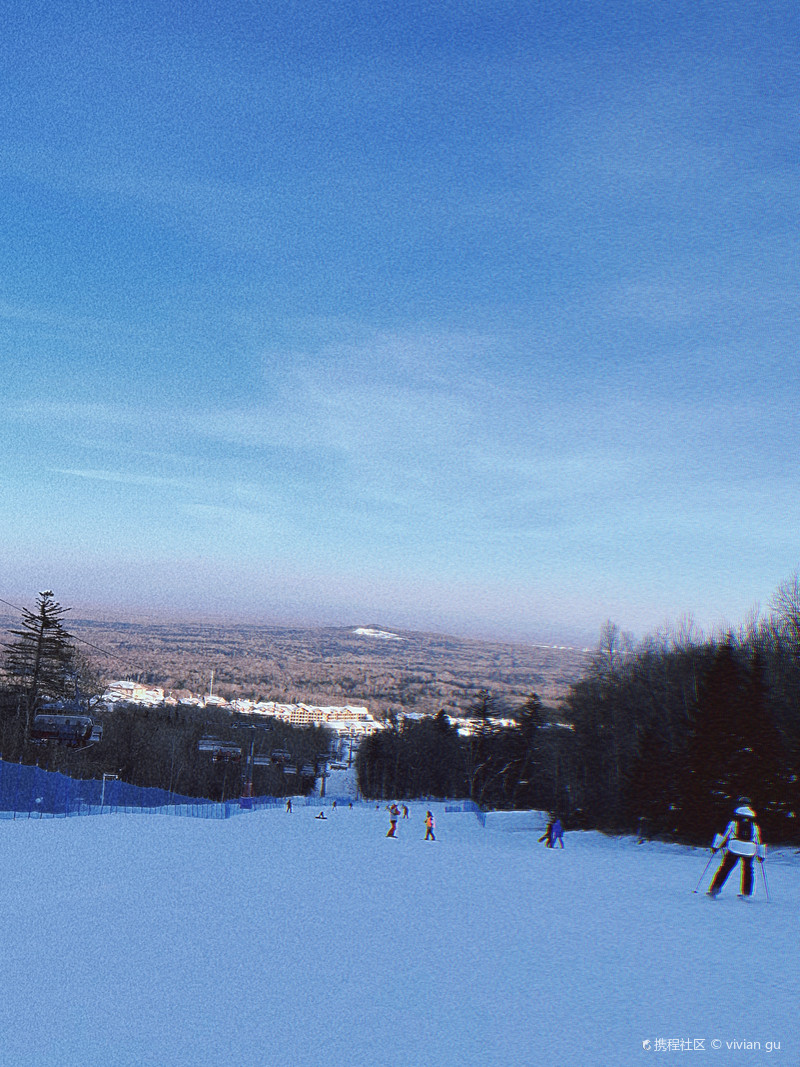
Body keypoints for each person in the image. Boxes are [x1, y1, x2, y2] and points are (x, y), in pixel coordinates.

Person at [707, 800, 764, 899]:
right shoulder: (754, 825)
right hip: (749, 850)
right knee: (748, 870)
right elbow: (758, 840)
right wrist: (761, 855)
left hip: (734, 847)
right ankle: (746, 893)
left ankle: (714, 890)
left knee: (725, 868)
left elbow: (725, 835)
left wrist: (716, 846)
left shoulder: (734, 822)